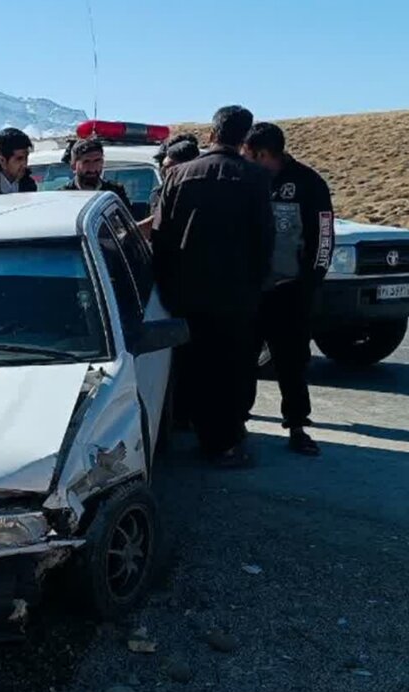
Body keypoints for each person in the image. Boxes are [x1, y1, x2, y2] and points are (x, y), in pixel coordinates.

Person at [152, 105, 275, 468]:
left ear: (211, 134)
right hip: (235, 295)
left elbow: (162, 238)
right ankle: (222, 441)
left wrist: (166, 287)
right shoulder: (254, 178)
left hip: (188, 293)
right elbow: (264, 240)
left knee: (192, 363)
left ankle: (190, 426)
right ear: (244, 138)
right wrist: (256, 284)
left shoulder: (180, 176)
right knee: (231, 368)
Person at [242, 122, 334, 457]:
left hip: (291, 291)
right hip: (250, 292)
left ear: (263, 153)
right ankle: (238, 423)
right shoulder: (244, 180)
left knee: (292, 363)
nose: (244, 158)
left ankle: (297, 425)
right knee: (243, 360)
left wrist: (310, 281)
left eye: (249, 154)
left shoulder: (308, 183)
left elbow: (324, 236)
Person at [61, 138, 131, 208]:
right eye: (86, 161)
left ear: (102, 162)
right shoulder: (62, 195)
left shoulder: (115, 192)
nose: (92, 168)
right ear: (73, 166)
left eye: (97, 160)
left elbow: (128, 218)